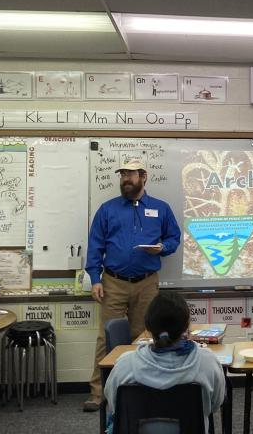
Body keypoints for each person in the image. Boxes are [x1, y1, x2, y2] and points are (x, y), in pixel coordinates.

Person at [83, 158, 181, 412]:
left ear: (143, 176)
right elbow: (95, 245)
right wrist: (95, 279)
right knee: (107, 337)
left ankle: (141, 387)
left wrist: (163, 248)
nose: (125, 179)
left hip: (147, 283)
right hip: (113, 282)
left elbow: (174, 236)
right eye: (123, 174)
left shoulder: (161, 208)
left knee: (145, 336)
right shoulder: (107, 209)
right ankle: (98, 392)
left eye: (130, 174)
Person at [104, 291, 226, 432]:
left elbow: (114, 405)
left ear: (148, 326)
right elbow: (216, 404)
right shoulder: (208, 362)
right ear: (186, 326)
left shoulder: (125, 365)